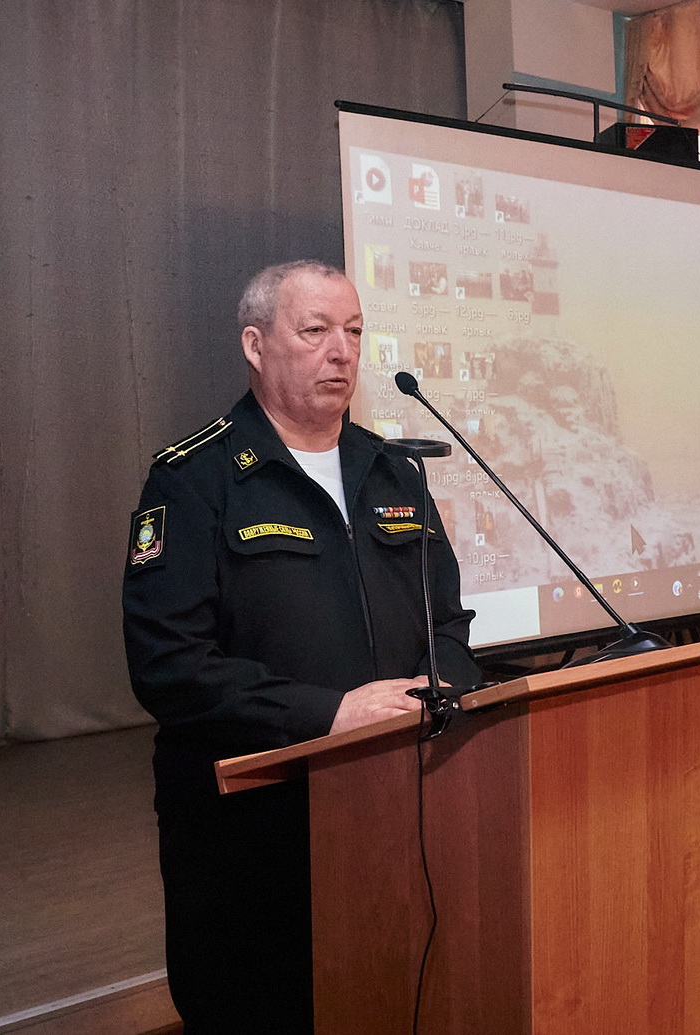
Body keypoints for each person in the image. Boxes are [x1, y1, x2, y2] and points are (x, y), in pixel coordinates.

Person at [122, 259, 480, 1034]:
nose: (341, 350)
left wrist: (436, 690)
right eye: (315, 330)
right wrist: (328, 714)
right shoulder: (194, 478)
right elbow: (169, 665)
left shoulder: (394, 471)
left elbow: (448, 623)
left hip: (392, 807)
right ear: (255, 345)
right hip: (252, 832)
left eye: (353, 330)